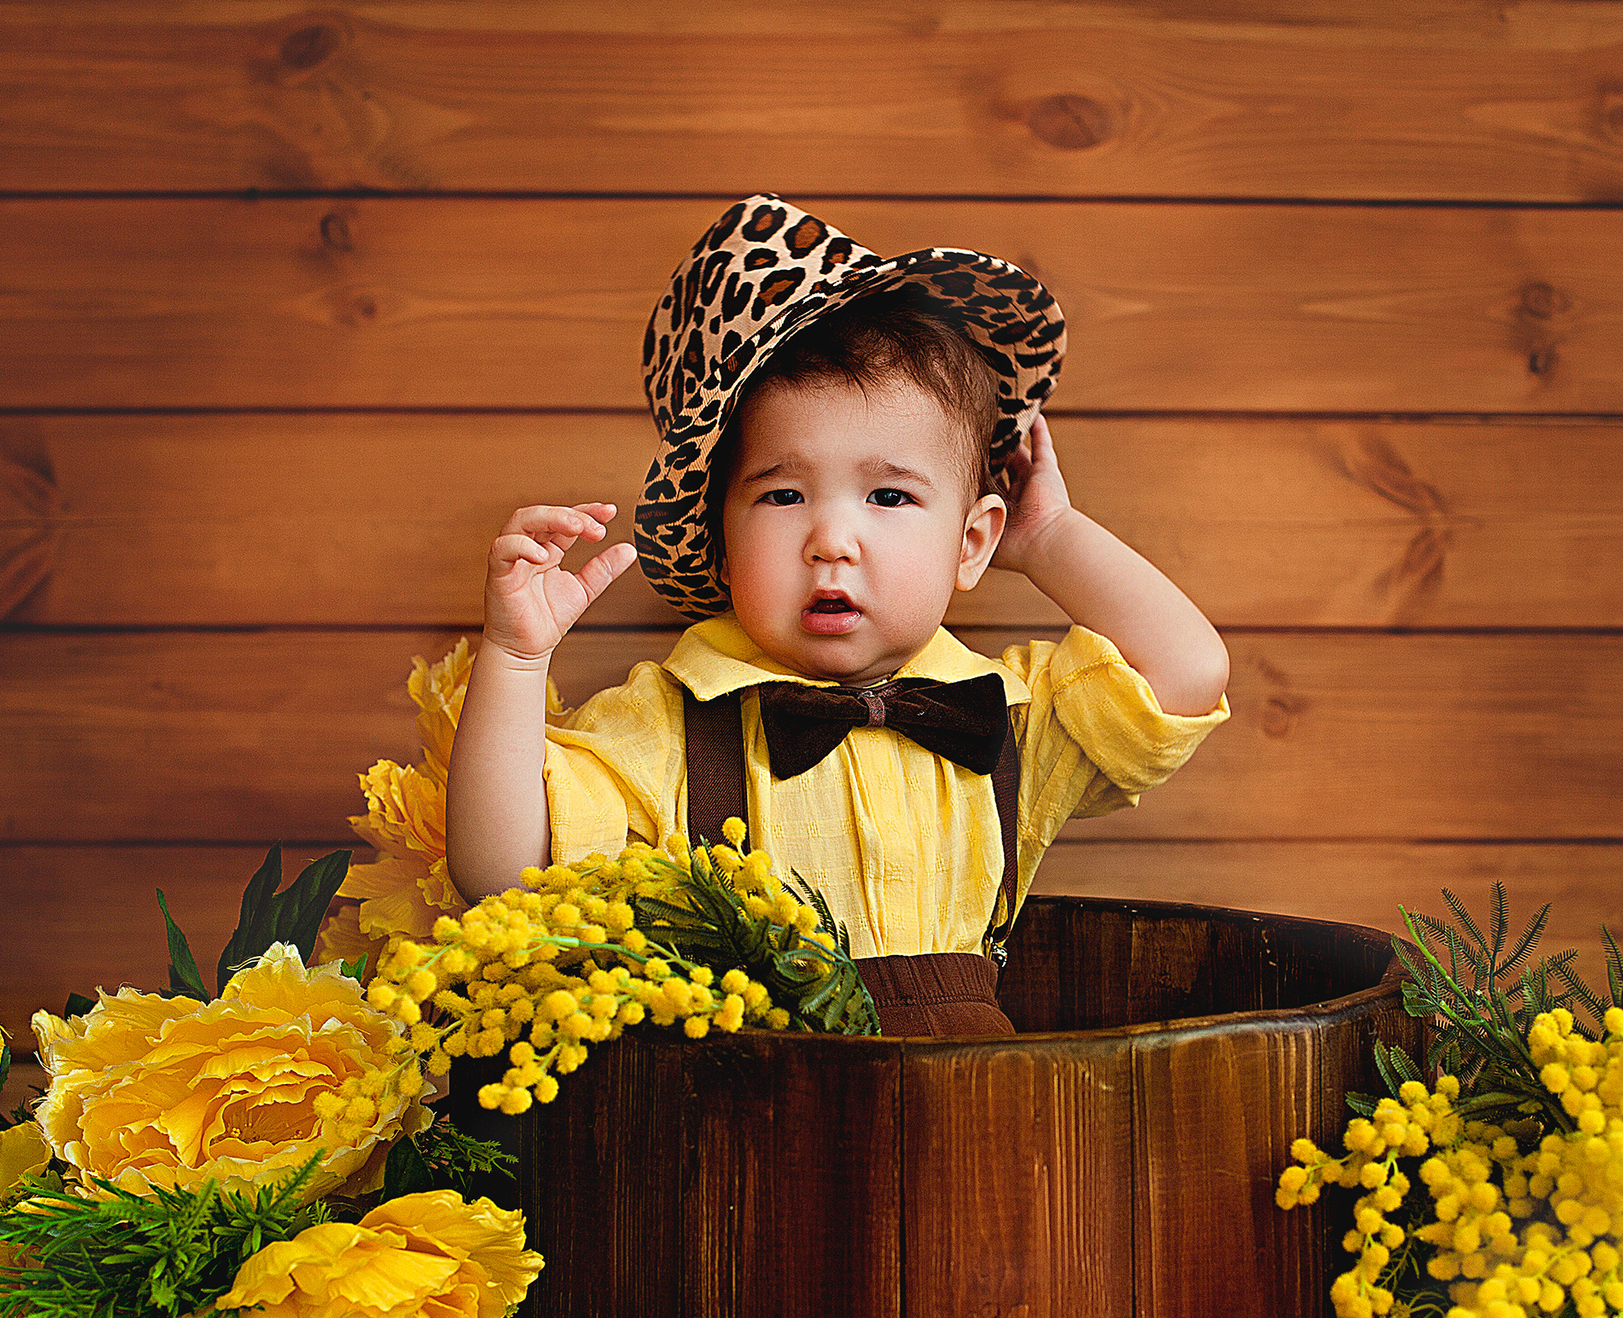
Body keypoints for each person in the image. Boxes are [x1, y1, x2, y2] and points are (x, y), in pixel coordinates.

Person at [447, 195, 1230, 1035]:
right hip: (758, 1118)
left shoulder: (1001, 717)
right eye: (784, 494)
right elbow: (498, 870)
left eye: (889, 495)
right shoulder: (671, 728)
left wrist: (1052, 538)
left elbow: (1187, 673)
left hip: (979, 1117)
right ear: (719, 539)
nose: (831, 539)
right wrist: (517, 659)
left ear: (971, 544)